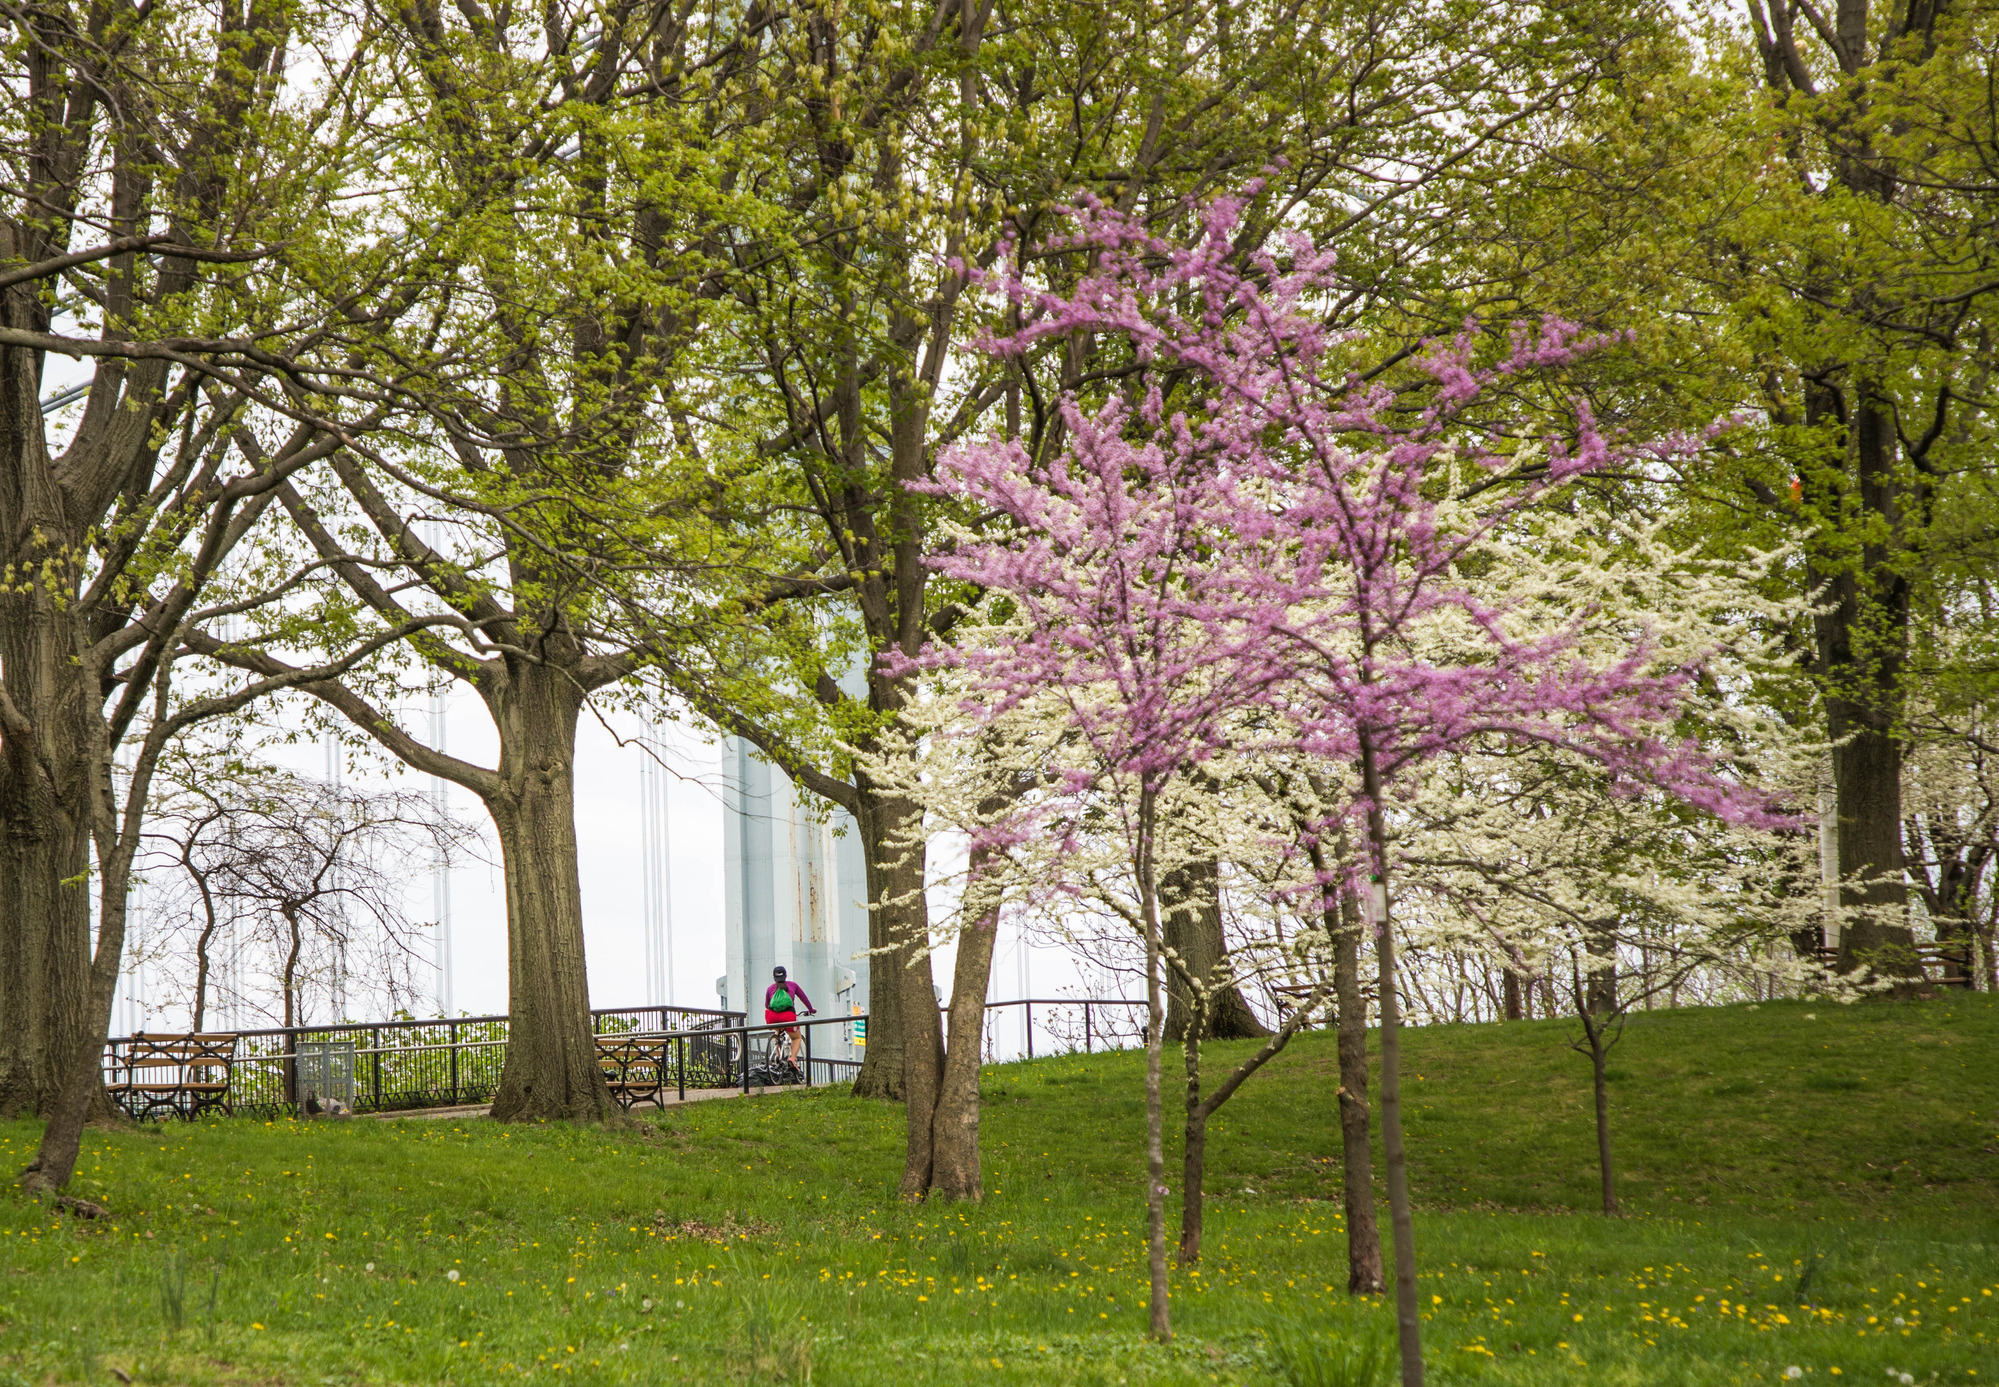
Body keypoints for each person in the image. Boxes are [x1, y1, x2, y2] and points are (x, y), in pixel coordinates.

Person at [765, 966, 816, 1068]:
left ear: (774, 977)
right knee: (796, 1037)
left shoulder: (770, 988)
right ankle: (792, 1058)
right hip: (788, 1017)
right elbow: (804, 999)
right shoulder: (793, 985)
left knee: (777, 1031)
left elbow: (767, 1005)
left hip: (772, 1017)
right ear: (786, 975)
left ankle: (778, 1055)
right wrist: (811, 1010)